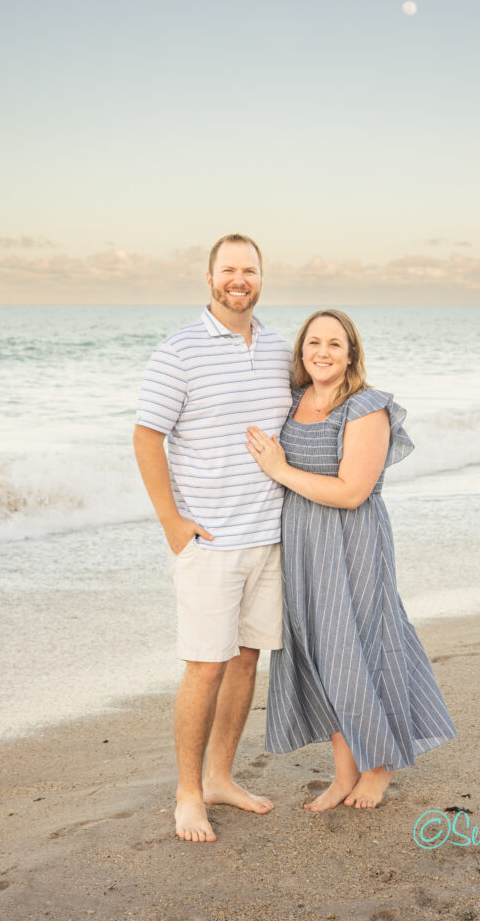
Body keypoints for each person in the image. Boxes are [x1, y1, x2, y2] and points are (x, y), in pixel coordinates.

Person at [246, 309, 456, 811]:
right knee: (323, 656)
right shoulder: (297, 401)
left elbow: (352, 492)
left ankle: (378, 767)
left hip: (351, 541)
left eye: (334, 344)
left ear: (351, 354)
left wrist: (278, 469)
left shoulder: (365, 407)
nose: (322, 351)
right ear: (301, 352)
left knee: (359, 646)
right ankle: (343, 774)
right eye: (313, 342)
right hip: (301, 543)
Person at [133, 234, 292, 842]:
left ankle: (222, 777)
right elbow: (147, 436)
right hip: (210, 542)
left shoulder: (280, 348)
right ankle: (188, 793)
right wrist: (172, 523)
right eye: (229, 269)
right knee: (205, 668)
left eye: (249, 270)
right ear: (209, 278)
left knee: (247, 659)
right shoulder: (180, 351)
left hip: (270, 536)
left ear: (260, 278)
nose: (239, 279)